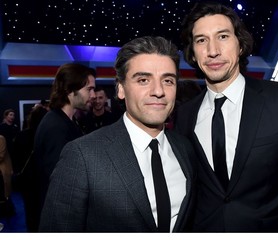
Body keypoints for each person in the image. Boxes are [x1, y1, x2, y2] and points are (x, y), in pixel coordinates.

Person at [174, 1, 278, 232]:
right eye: (201, 40)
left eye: (223, 36)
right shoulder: (185, 114)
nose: (213, 50)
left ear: (240, 45)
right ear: (193, 54)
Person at [39, 36, 196, 232]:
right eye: (143, 80)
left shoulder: (186, 149)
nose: (158, 91)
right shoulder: (82, 156)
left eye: (168, 80)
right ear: (121, 89)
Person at [33, 63, 96, 230]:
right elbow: (60, 185)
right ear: (70, 91)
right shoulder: (56, 127)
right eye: (89, 89)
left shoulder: (66, 121)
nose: (93, 95)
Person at [12, 105, 48, 231]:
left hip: (26, 180)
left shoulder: (21, 135)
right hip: (44, 179)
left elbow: (14, 158)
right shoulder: (47, 135)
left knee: (30, 211)